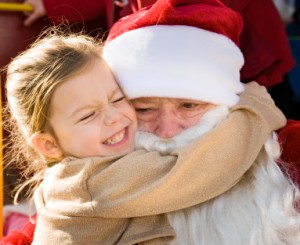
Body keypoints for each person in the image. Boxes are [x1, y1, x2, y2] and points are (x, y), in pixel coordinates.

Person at [1, 0, 299, 244]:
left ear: (224, 102)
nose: (168, 131)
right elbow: (202, 168)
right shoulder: (95, 179)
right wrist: (254, 109)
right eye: (144, 109)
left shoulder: (291, 146)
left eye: (189, 105)